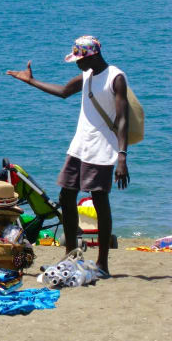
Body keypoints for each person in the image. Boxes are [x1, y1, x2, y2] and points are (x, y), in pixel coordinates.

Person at [7, 36, 128, 276]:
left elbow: (124, 118)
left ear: (92, 56)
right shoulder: (86, 76)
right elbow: (63, 91)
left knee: (99, 200)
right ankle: (71, 256)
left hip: (102, 149)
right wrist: (30, 81)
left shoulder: (116, 77)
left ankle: (103, 263)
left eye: (78, 60)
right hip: (79, 146)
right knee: (66, 194)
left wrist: (122, 156)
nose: (76, 65)